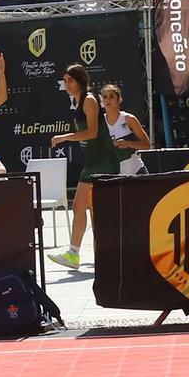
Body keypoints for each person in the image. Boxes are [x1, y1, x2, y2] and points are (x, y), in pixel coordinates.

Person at [47, 65, 117, 270]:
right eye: (65, 80)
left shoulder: (88, 100)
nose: (67, 84)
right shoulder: (79, 101)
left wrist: (64, 137)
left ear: (80, 81)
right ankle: (78, 254)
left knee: (91, 209)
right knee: (81, 207)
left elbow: (93, 133)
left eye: (70, 80)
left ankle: (80, 253)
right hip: (93, 161)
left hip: (102, 161)